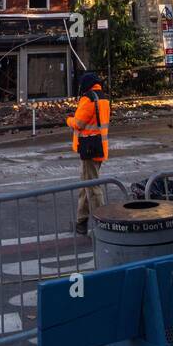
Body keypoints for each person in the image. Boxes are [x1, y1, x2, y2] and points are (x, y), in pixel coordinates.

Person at [67, 71, 110, 235]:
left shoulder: (89, 99)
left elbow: (78, 123)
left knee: (92, 187)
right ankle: (81, 221)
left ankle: (103, 222)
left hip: (88, 149)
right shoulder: (103, 98)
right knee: (86, 185)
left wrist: (68, 119)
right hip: (99, 147)